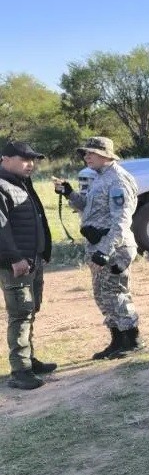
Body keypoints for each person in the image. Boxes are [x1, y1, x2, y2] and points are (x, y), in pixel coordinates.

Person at [54, 137, 142, 360]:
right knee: (103, 295)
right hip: (98, 247)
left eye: (91, 153)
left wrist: (105, 250)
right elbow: (88, 207)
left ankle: (131, 340)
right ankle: (117, 340)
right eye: (85, 153)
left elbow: (121, 220)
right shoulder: (100, 177)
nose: (86, 157)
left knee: (116, 293)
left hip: (114, 249)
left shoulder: (118, 180)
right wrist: (69, 193)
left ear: (106, 155)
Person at [1, 141, 55, 390]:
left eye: (33, 159)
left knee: (30, 311)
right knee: (20, 314)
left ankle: (28, 361)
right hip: (17, 264)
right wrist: (15, 258)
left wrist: (43, 251)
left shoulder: (21, 183)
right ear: (5, 159)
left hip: (32, 259)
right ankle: (20, 371)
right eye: (24, 159)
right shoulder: (2, 186)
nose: (30, 164)